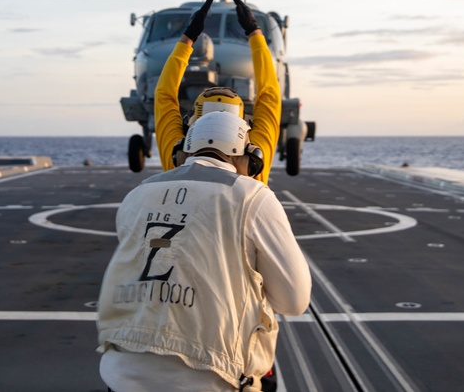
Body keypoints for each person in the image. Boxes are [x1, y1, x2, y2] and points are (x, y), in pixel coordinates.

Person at [96, 109, 312, 391]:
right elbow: (293, 302)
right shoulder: (252, 197)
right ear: (248, 157)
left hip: (121, 373)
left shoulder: (136, 195)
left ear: (182, 153)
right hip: (209, 376)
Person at [154, 0, 282, 185]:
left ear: (193, 121)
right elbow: (270, 95)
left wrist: (188, 38)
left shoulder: (177, 154)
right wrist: (255, 32)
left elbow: (164, 95)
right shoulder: (255, 156)